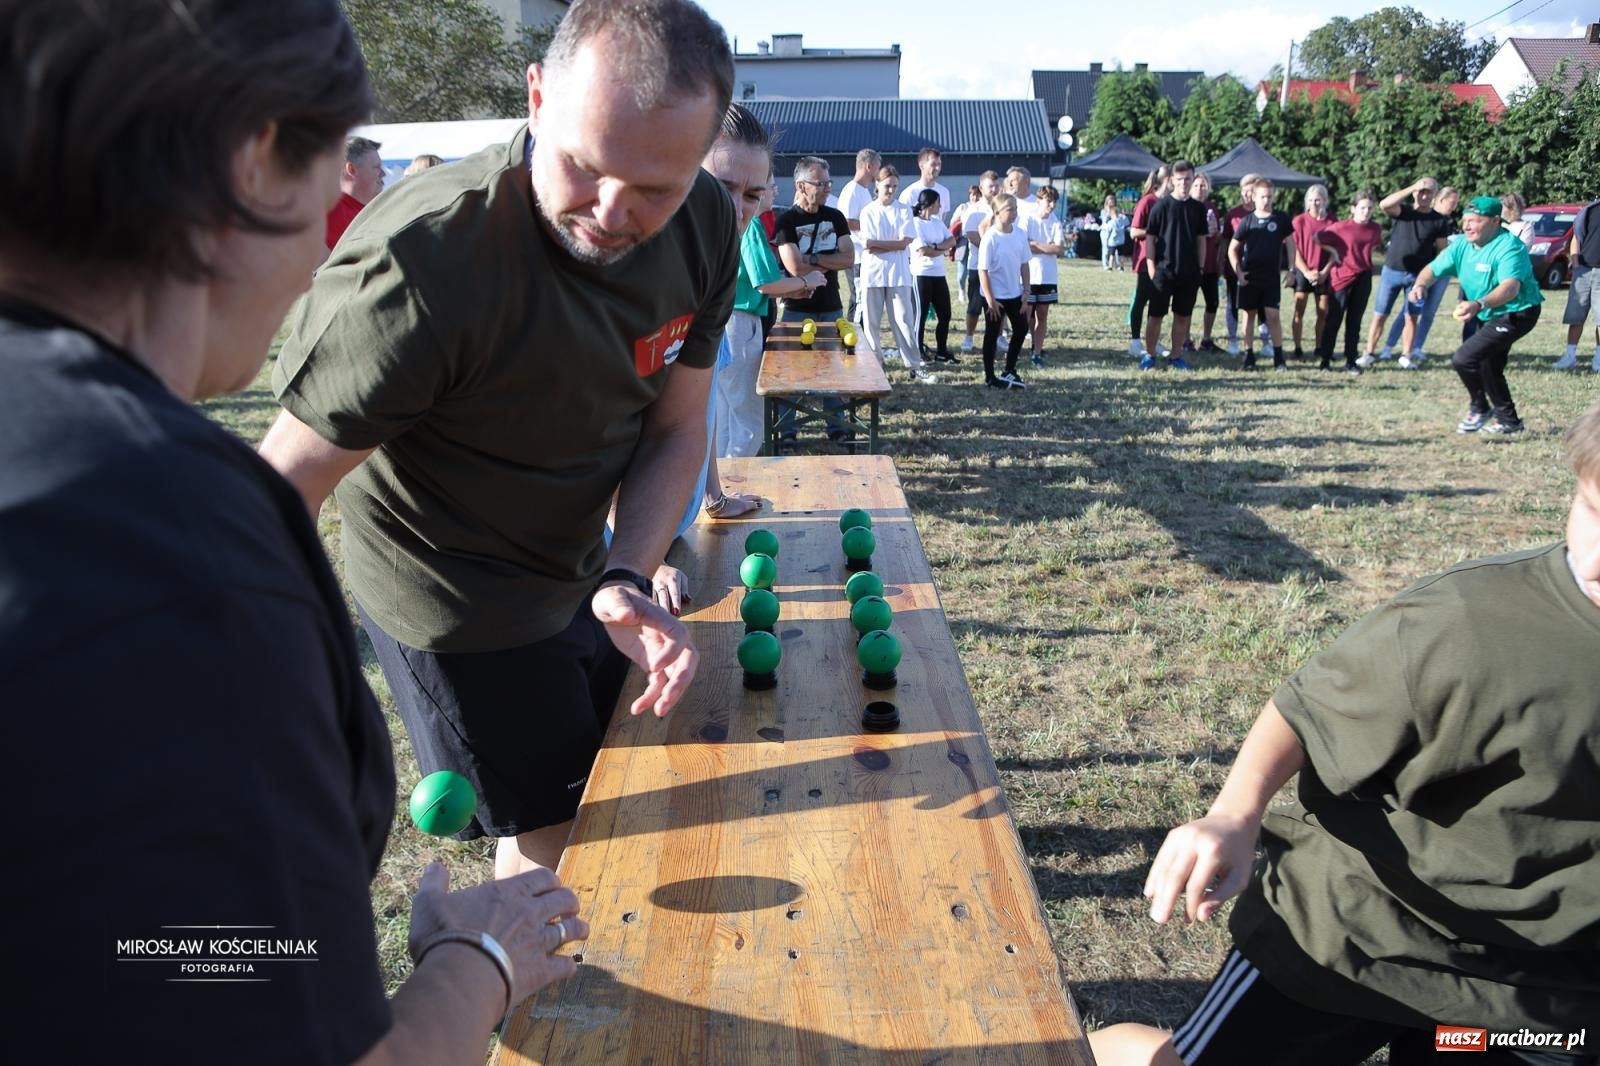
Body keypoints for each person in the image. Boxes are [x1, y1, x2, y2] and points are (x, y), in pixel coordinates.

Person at [0, 2, 589, 1063]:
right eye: (335, 167)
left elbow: (132, 944)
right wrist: (481, 962)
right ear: (259, 159)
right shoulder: (173, 551)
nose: (340, 213)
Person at [260, 0, 738, 879]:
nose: (610, 211)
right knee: (557, 845)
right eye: (585, 167)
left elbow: (676, 426)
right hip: (453, 596)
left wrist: (626, 573)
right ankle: (533, 1001)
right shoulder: (421, 266)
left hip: (576, 562)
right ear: (535, 96)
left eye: (655, 190)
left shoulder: (707, 221)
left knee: (606, 788)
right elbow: (276, 490)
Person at [1089, 396, 1600, 1066]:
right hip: (1353, 939)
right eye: (1593, 510)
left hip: (1534, 1001)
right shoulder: (1466, 620)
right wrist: (1233, 814)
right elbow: (1306, 709)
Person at [706, 105, 823, 461]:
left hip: (725, 323)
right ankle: (733, 484)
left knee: (725, 419)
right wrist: (806, 279)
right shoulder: (754, 225)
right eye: (725, 188)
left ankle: (724, 489)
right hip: (740, 325)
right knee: (748, 424)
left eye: (757, 192)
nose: (741, 206)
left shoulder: (742, 226)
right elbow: (764, 285)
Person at [1409, 196, 1543, 436]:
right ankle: (1509, 422)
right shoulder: (1462, 245)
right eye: (1465, 220)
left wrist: (1478, 304)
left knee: (1464, 358)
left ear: (1494, 221)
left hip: (1517, 312)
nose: (1468, 226)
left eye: (1475, 221)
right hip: (1487, 311)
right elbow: (1432, 269)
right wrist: (1421, 285)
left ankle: (1480, 408)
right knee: (1488, 363)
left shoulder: (1509, 247)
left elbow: (1510, 288)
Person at [774, 155, 855, 441]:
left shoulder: (835, 217)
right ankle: (786, 433)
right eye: (820, 183)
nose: (826, 188)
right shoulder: (787, 221)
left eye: (828, 182)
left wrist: (813, 258)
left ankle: (837, 429)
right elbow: (793, 267)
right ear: (801, 185)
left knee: (832, 370)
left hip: (831, 307)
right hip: (796, 309)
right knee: (791, 373)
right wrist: (822, 262)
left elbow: (848, 258)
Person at [856, 164, 938, 383]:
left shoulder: (903, 210)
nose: (891, 190)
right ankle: (876, 365)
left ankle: (914, 364)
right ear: (877, 185)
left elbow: (903, 243)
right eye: (887, 186)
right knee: (872, 323)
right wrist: (889, 244)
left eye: (894, 186)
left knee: (903, 320)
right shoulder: (868, 211)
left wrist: (881, 244)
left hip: (899, 274)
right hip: (872, 275)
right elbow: (868, 245)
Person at [1359, 176, 1450, 368]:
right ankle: (1369, 353)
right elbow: (1385, 204)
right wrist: (1413, 187)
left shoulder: (1438, 220)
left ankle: (1406, 356)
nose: (1424, 195)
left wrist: (1431, 276)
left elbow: (1442, 250)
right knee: (1380, 314)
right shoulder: (1404, 212)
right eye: (1421, 191)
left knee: (1412, 316)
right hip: (1392, 271)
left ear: (1434, 195)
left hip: (1417, 277)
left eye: (1429, 192)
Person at [1381, 185, 1462, 366]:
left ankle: (1417, 348)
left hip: (1443, 273)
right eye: (1452, 202)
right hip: (1423, 272)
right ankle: (1389, 345)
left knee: (1429, 312)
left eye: (1456, 203)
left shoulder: (1450, 222)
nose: (1454, 207)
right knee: (1407, 312)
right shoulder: (1428, 217)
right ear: (1440, 200)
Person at [1140, 160, 1207, 371]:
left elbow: (1201, 240)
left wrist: (1201, 268)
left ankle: (1176, 355)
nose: (1184, 183)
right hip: (1163, 271)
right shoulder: (1161, 206)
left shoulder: (1198, 208)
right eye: (1179, 179)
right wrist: (1151, 267)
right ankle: (1150, 355)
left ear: (1193, 178)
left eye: (1188, 179)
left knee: (1182, 316)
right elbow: (1150, 238)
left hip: (1189, 272)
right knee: (1155, 316)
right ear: (1171, 180)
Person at [1229, 176, 1295, 371]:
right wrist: (1239, 273)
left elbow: (1291, 244)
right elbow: (1232, 248)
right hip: (1250, 276)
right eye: (1263, 197)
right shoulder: (1247, 222)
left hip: (1271, 277)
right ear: (1254, 197)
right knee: (1248, 316)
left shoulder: (1281, 219)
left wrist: (1291, 270)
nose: (1266, 200)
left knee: (1272, 315)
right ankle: (1248, 356)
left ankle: (1278, 357)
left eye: (1269, 196)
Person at [1317, 190, 1382, 375]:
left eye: (1369, 208)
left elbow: (1372, 247)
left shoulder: (1375, 229)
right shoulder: (1340, 227)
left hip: (1364, 277)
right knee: (1333, 320)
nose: (1366, 212)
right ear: (1353, 209)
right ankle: (1325, 360)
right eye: (1362, 208)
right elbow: (1317, 238)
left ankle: (1351, 360)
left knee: (1355, 321)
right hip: (1342, 278)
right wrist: (1334, 251)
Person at [978, 191, 1031, 389]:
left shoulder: (1019, 234)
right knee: (992, 334)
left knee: (1021, 328)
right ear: (997, 212)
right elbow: (982, 271)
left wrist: (1026, 292)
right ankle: (990, 377)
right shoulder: (990, 238)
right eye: (1010, 209)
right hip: (995, 296)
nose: (1014, 212)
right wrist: (990, 300)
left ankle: (1009, 369)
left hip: (1014, 293)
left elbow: (1025, 265)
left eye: (1016, 208)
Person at [1127, 165, 1170, 359]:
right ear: (1167, 180)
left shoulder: (1169, 202)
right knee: (1142, 299)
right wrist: (1155, 232)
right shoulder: (1147, 201)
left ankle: (1154, 340)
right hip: (1145, 260)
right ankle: (1135, 341)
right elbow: (1134, 231)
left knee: (1158, 303)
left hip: (1164, 261)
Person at [911, 187, 957, 363]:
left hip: (939, 274)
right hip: (922, 274)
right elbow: (923, 251)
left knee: (945, 314)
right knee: (920, 316)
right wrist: (941, 247)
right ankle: (918, 352)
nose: (940, 206)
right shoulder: (915, 223)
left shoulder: (937, 221)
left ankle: (942, 351)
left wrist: (936, 247)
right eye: (938, 202)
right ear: (929, 204)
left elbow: (951, 240)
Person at [834, 147, 880, 323]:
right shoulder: (851, 190)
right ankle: (852, 337)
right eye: (877, 165)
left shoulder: (864, 190)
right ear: (869, 166)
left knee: (863, 298)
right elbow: (845, 221)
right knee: (858, 298)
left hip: (864, 254)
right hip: (855, 254)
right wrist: (870, 227)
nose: (878, 170)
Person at [1289, 184, 1334, 360]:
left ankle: (1319, 347)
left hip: (1324, 272)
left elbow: (1335, 251)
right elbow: (1295, 249)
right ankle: (1297, 347)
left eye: (1317, 200)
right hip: (1303, 270)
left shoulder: (1332, 222)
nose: (1314, 203)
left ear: (1324, 201)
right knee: (1299, 310)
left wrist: (1324, 272)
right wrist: (1306, 271)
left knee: (1323, 312)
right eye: (1310, 200)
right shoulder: (1299, 221)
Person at [1555, 194, 1600, 372]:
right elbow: (1577, 237)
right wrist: (1575, 263)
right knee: (1575, 317)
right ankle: (1570, 356)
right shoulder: (1590, 210)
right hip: (1583, 270)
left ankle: (1598, 358)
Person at [959, 170, 1002, 353]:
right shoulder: (974, 209)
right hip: (978, 265)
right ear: (982, 187)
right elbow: (971, 235)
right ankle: (969, 337)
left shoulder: (1002, 206)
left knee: (999, 303)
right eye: (990, 186)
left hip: (998, 266)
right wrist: (989, 247)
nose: (994, 189)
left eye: (996, 185)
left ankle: (999, 337)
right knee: (975, 304)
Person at [1025, 186, 1065, 367]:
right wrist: (1046, 246)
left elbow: (1059, 249)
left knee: (1042, 315)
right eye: (1048, 200)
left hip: (1047, 276)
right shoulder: (1028, 219)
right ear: (1038, 201)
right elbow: (1024, 245)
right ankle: (1025, 345)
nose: (1052, 204)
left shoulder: (1055, 222)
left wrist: (1036, 245)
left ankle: (1037, 352)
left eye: (1054, 201)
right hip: (1029, 275)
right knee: (1026, 314)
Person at [1220, 173, 1259, 354]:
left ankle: (1265, 342)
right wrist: (1222, 263)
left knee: (1260, 306)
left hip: (1258, 267)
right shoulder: (1233, 214)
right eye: (1244, 191)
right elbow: (1226, 241)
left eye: (1251, 191)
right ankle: (1233, 340)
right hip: (1234, 268)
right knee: (1233, 304)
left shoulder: (1266, 213)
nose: (1247, 195)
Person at [327, 134, 385, 249]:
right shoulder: (330, 214)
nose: (383, 173)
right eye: (376, 167)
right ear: (351, 170)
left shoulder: (375, 210)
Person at [1190, 173, 1224, 352]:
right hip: (1191, 264)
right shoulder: (1186, 206)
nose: (1200, 189)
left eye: (1203, 186)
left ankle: (1207, 339)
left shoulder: (1211, 208)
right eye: (1196, 185)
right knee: (1187, 303)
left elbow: (1218, 237)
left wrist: (1215, 233)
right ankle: (1185, 340)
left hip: (1210, 263)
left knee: (1213, 302)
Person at [897, 146, 951, 220]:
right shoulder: (910, 193)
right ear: (921, 166)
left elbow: (942, 221)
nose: (937, 168)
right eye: (933, 164)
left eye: (939, 164)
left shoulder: (944, 192)